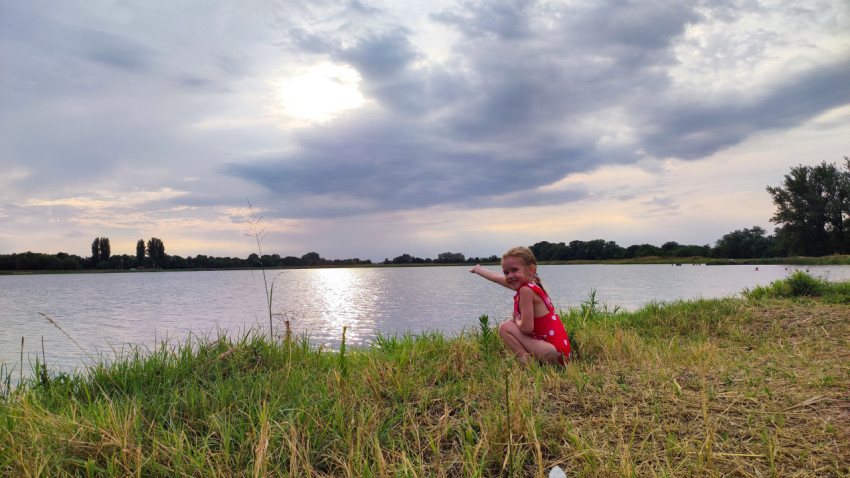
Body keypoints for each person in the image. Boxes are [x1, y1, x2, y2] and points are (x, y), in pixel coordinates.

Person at [470, 246, 571, 364]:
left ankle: (528, 364)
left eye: (514, 270)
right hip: (560, 351)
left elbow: (526, 328)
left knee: (505, 327)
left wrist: (517, 319)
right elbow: (496, 277)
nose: (509, 276)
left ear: (530, 270)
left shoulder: (526, 291)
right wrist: (478, 269)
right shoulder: (532, 285)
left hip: (550, 352)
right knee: (510, 323)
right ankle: (533, 361)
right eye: (506, 272)